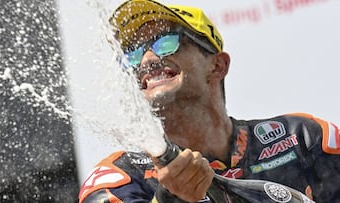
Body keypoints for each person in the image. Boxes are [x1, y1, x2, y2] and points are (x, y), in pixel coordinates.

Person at [78, 0, 340, 202]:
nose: (146, 61)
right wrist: (171, 197)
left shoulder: (304, 138)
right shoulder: (120, 177)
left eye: (165, 43)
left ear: (217, 65)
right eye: (133, 55)